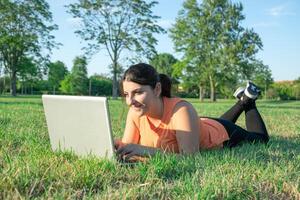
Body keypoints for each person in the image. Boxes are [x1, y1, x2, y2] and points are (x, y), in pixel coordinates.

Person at [115, 63, 269, 162]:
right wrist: (116, 147)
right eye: (127, 94)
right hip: (199, 124)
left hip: (219, 132)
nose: (130, 101)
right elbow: (128, 149)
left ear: (157, 89)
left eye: (138, 92)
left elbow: (190, 159)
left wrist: (144, 150)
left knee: (260, 139)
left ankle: (248, 100)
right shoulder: (136, 111)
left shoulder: (181, 110)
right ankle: (241, 101)